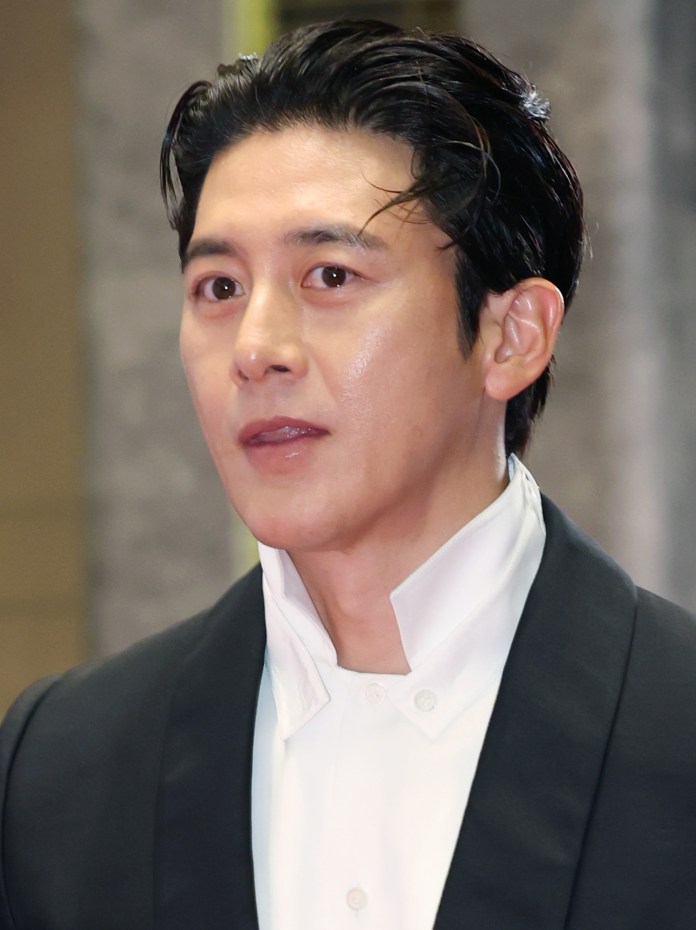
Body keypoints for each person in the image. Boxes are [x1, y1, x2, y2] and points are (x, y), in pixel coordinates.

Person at [1, 18, 695, 930]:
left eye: (329, 275)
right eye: (220, 288)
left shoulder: (673, 729)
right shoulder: (62, 769)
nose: (256, 349)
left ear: (510, 334)